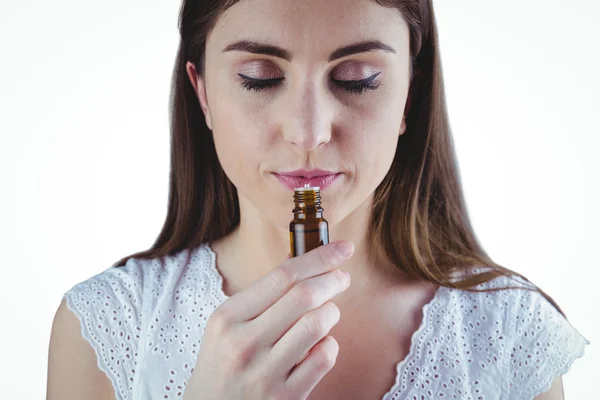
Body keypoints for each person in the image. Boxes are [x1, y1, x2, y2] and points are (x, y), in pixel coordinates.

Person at [46, 0, 589, 399]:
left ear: (409, 94)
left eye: (357, 80)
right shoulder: (107, 325)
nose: (308, 133)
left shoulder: (508, 333)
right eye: (259, 79)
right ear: (203, 92)